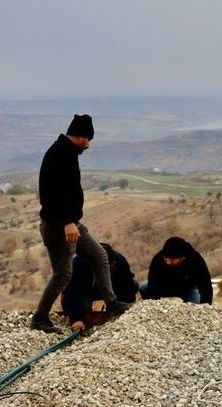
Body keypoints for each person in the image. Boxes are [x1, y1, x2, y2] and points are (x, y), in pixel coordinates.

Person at [30, 113, 131, 333]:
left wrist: (72, 220)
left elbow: (67, 191)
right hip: (60, 226)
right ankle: (39, 318)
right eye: (89, 140)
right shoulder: (61, 153)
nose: (89, 145)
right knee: (63, 274)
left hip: (71, 222)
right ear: (81, 137)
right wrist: (68, 222)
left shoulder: (66, 152)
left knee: (99, 255)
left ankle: (112, 304)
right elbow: (53, 194)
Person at [61, 243, 138, 331]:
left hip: (112, 289)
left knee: (134, 284)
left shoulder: (120, 261)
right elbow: (72, 293)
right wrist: (76, 319)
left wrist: (130, 312)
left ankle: (115, 311)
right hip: (87, 290)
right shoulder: (78, 263)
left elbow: (128, 286)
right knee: (83, 307)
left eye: (110, 267)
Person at [141, 236, 214, 305]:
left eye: (172, 259)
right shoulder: (158, 258)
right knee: (144, 287)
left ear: (182, 258)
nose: (168, 262)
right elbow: (153, 284)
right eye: (166, 258)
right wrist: (155, 307)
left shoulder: (196, 260)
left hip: (187, 289)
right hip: (164, 286)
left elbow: (206, 286)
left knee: (198, 306)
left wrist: (205, 308)